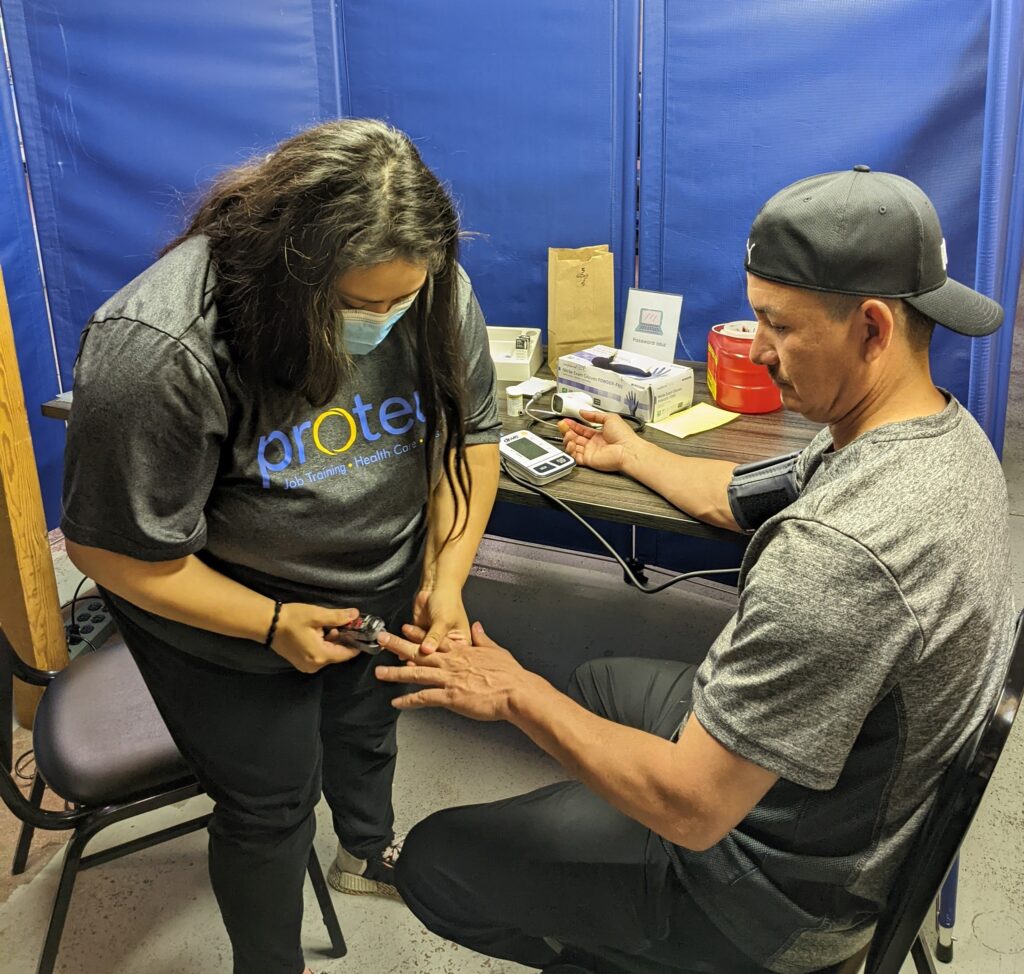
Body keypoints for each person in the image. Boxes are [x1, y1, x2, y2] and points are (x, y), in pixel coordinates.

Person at [374, 167, 1016, 974]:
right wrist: (632, 452)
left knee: (438, 861)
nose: (755, 348)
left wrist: (510, 692)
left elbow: (694, 808)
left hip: (773, 894)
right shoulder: (929, 431)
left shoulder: (838, 559)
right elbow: (731, 497)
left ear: (873, 327)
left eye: (776, 325)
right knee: (599, 682)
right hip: (844, 781)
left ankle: (636, 952)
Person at [60, 119, 501, 974]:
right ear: (287, 268)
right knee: (270, 805)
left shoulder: (427, 282)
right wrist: (268, 624)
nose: (384, 321)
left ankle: (369, 852)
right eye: (358, 305)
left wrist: (446, 579)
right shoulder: (161, 348)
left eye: (398, 301)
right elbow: (109, 552)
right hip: (218, 607)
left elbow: (468, 437)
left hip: (379, 575)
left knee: (370, 723)